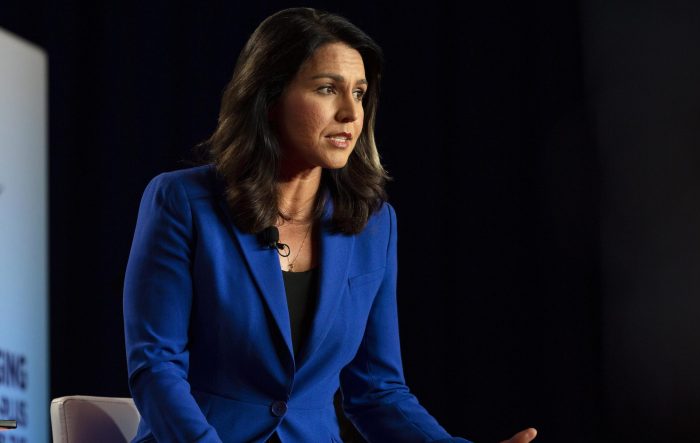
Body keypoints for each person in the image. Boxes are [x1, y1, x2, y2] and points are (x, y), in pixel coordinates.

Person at [123, 7, 537, 443]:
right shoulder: (183, 202)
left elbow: (378, 391)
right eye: (327, 89)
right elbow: (155, 366)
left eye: (359, 93)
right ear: (269, 96)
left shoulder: (373, 225)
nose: (350, 113)